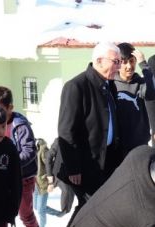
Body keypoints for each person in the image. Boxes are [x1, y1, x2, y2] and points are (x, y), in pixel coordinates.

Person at [55, 42, 121, 210]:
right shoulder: (76, 86)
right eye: (115, 62)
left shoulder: (109, 84)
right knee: (90, 210)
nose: (119, 67)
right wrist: (73, 168)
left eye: (119, 62)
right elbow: (66, 131)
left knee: (99, 209)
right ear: (99, 61)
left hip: (104, 162)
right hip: (83, 165)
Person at [0, 86, 42, 227]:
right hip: (0, 180)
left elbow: (29, 152)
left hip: (22, 178)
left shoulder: (20, 126)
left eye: (0, 109)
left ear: (10, 107)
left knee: (24, 211)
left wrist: (11, 163)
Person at [114, 42, 155, 155]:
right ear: (118, 63)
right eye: (124, 62)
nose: (129, 66)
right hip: (117, 144)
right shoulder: (111, 84)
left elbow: (153, 93)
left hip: (139, 142)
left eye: (132, 61)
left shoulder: (141, 83)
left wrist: (143, 64)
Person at [34, 138, 53, 227]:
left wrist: (48, 178)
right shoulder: (34, 149)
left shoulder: (43, 150)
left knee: (41, 210)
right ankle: (59, 213)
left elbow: (49, 164)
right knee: (36, 207)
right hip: (35, 184)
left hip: (42, 183)